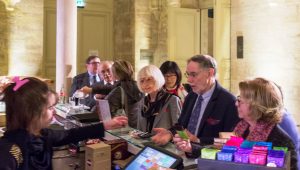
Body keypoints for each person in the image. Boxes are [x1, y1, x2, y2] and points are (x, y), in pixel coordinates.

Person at [0, 77, 127, 170]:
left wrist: (105, 125)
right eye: (50, 107)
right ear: (31, 112)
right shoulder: (11, 150)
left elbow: (71, 134)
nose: (54, 111)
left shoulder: (43, 135)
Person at [151, 54, 239, 147]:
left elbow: (230, 140)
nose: (189, 80)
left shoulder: (229, 102)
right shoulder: (191, 96)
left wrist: (198, 140)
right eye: (188, 74)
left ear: (210, 73)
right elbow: (181, 126)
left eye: (194, 74)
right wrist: (169, 133)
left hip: (207, 158)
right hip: (184, 154)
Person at [136, 65, 182, 133]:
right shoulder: (143, 102)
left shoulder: (172, 100)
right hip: (145, 143)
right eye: (142, 81)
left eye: (149, 79)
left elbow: (180, 129)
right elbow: (139, 129)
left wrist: (170, 136)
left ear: (157, 79)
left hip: (167, 143)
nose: (145, 84)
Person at [104, 60, 144, 128]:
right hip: (139, 127)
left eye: (111, 72)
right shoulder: (140, 87)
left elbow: (106, 111)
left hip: (122, 129)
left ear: (116, 74)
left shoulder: (118, 90)